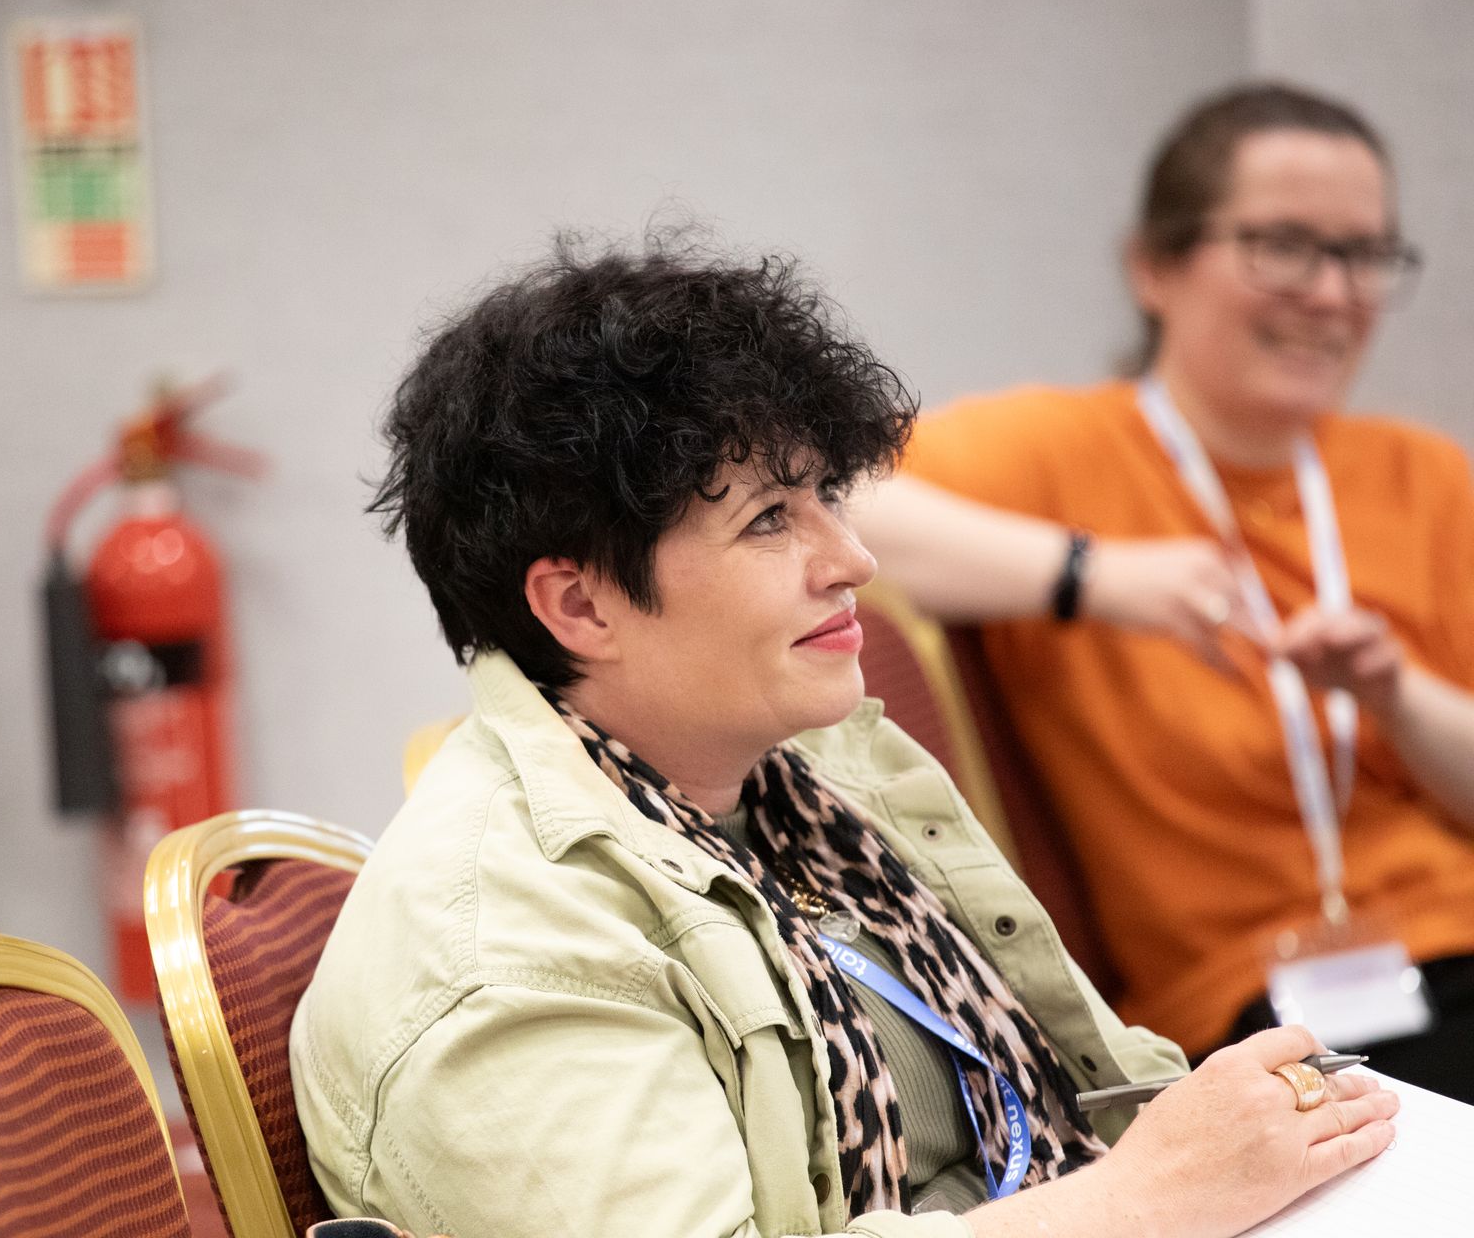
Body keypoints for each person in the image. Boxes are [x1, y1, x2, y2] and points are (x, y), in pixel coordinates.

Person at [290, 239, 1397, 1238]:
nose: (852, 557)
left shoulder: (796, 775)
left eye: (827, 492)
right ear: (579, 607)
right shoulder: (502, 957)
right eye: (770, 520)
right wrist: (1133, 1200)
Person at [853, 82, 1474, 1097]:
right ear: (1154, 265)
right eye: (1283, 244)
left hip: (1451, 950)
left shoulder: (1424, 474)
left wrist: (1396, 693)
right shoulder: (1061, 451)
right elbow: (825, 495)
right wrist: (1089, 573)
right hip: (1253, 1008)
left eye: (1365, 254)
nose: (1331, 292)